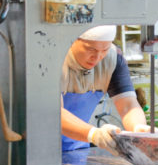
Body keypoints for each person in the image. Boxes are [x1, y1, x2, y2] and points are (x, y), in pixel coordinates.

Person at [61, 24, 152, 155]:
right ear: (72, 40)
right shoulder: (53, 60)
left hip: (77, 149)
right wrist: (94, 134)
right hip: (35, 149)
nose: (97, 57)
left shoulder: (114, 59)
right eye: (90, 49)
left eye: (105, 49)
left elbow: (127, 105)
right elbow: (53, 112)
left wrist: (138, 128)